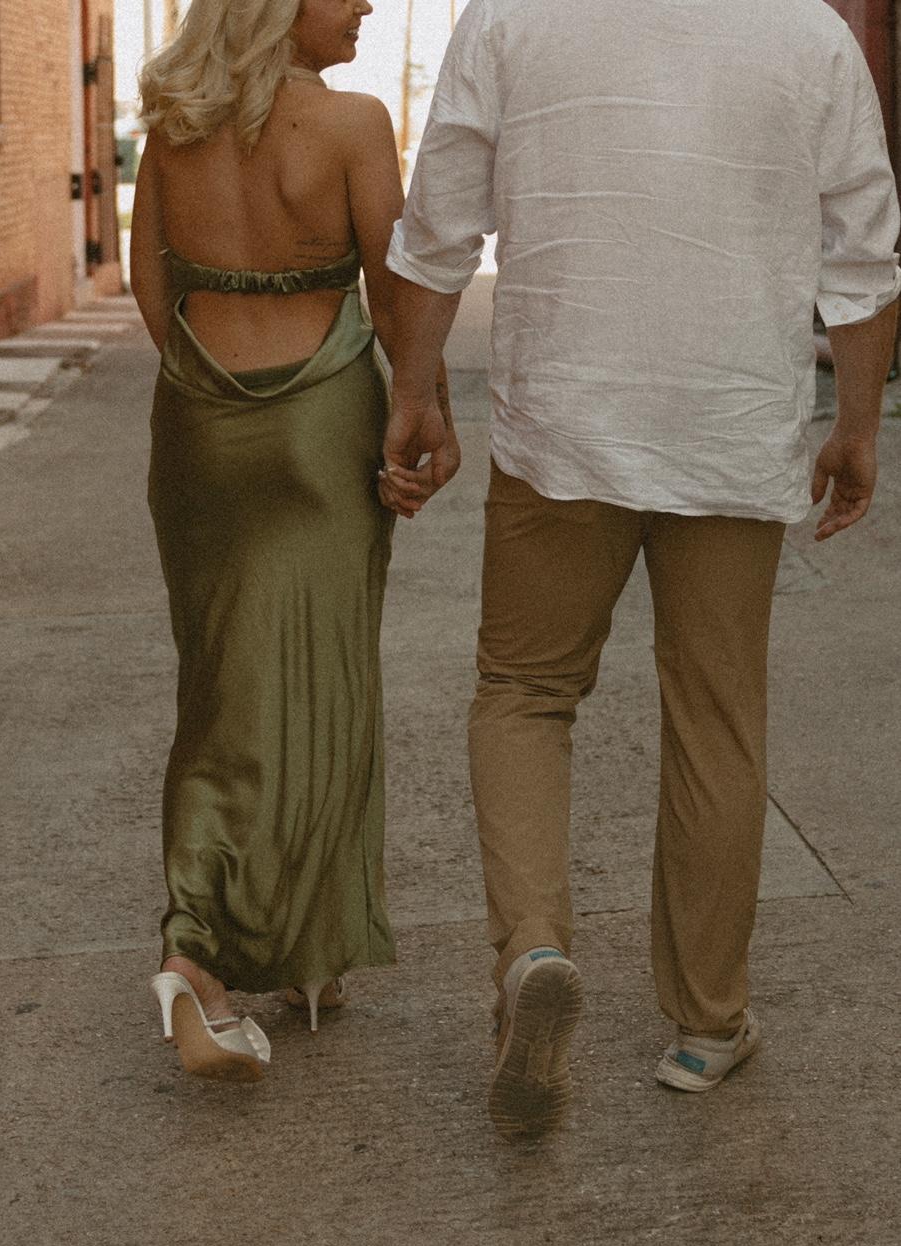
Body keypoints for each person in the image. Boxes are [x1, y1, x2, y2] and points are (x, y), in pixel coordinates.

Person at [381, 0, 901, 1137]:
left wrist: (414, 390)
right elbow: (862, 257)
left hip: (562, 425)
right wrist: (856, 423)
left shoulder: (510, 16)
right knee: (715, 714)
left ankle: (532, 952)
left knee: (524, 692)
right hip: (731, 428)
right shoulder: (809, 34)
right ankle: (706, 1024)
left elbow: (437, 226)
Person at [132, 0, 453, 1080]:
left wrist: (209, 388)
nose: (365, 4)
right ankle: (229, 952)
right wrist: (423, 410)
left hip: (198, 421)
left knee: (219, 688)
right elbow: (396, 296)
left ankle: (241, 945)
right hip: (322, 426)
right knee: (325, 681)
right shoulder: (354, 126)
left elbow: (149, 283)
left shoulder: (174, 123)